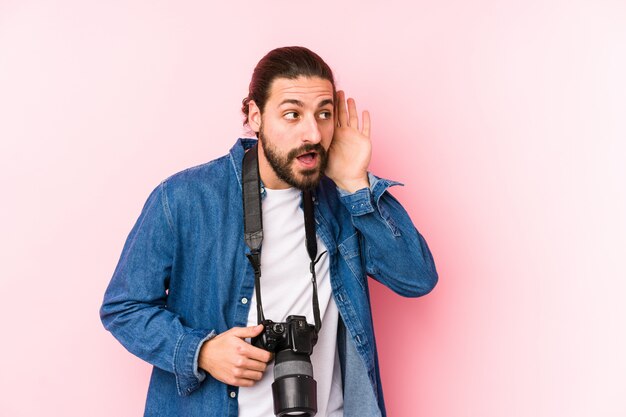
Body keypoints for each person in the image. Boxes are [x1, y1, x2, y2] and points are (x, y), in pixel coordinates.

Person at [100, 46, 438, 417]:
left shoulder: (342, 199)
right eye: (292, 114)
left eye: (324, 114)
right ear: (255, 116)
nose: (312, 133)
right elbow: (123, 306)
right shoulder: (185, 198)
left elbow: (417, 278)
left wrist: (356, 184)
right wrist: (201, 352)